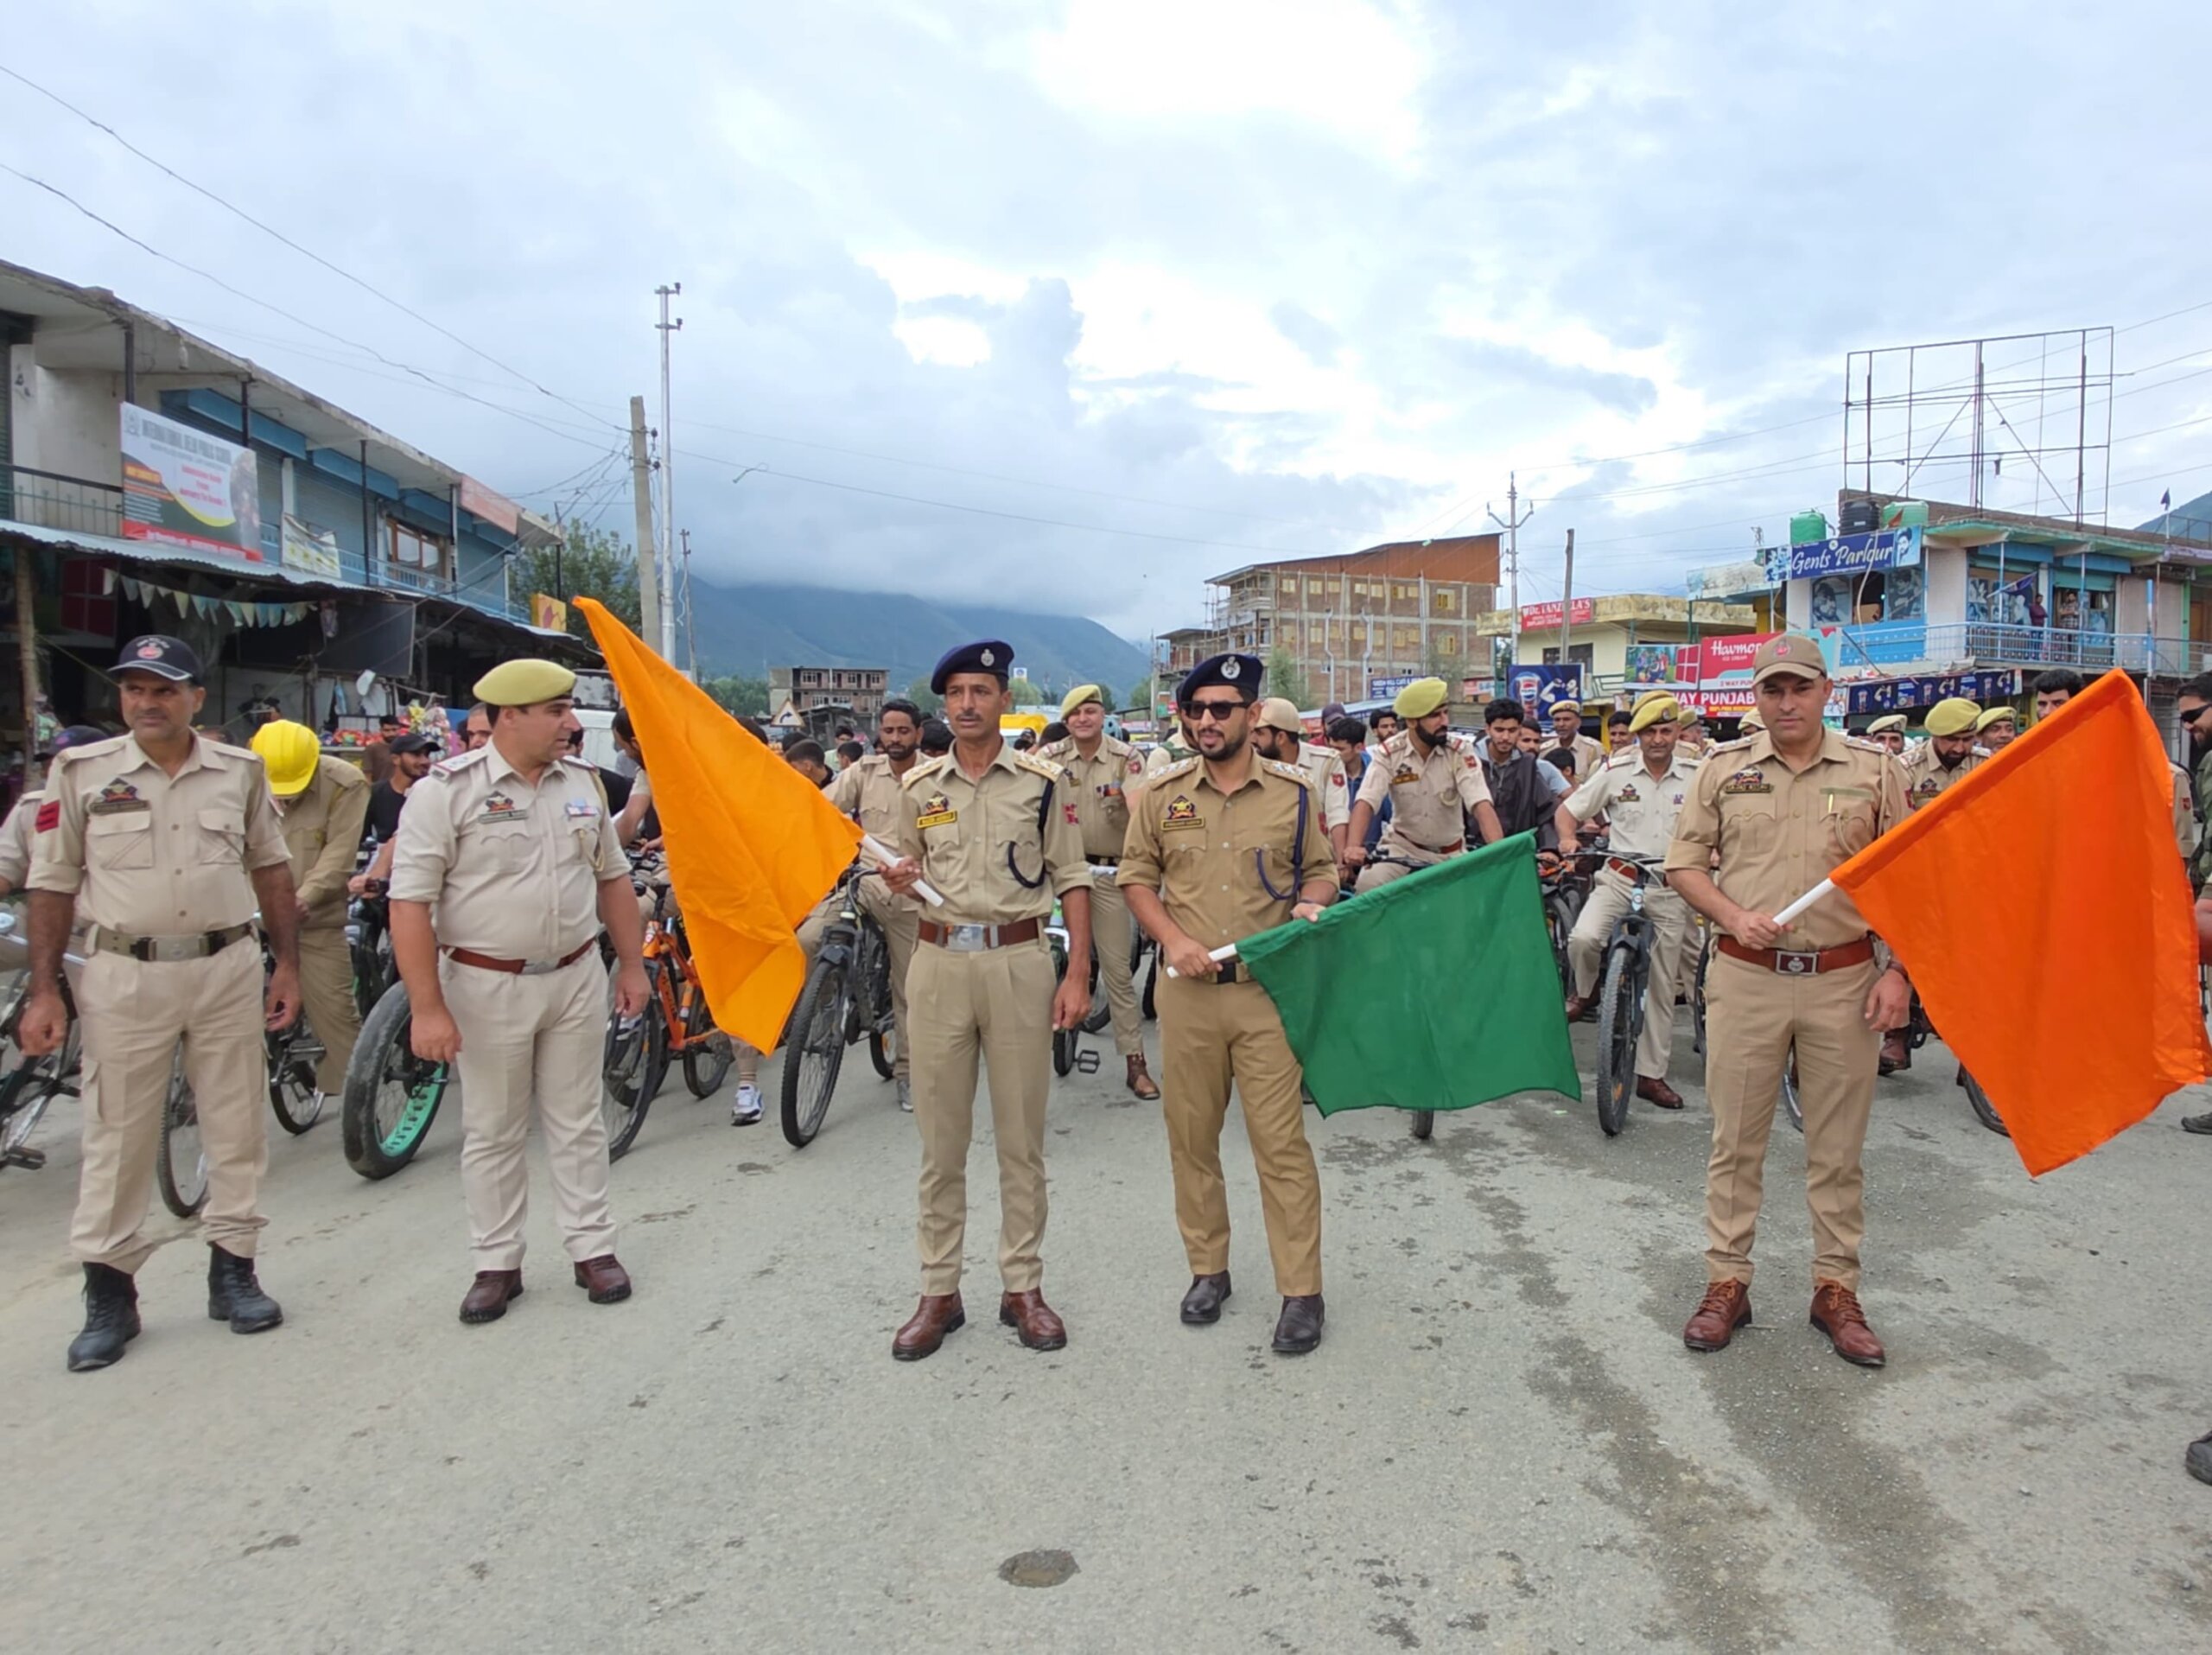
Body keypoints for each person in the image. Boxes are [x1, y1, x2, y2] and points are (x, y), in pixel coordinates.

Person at [22, 636, 302, 1372]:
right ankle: (110, 1291)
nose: (147, 702)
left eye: (164, 689)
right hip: (125, 972)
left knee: (235, 1121)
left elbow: (271, 868)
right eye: (133, 689)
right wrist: (44, 987)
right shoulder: (82, 772)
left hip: (226, 966)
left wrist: (288, 966)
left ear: (195, 699)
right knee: (116, 1130)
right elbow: (51, 884)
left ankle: (233, 1269)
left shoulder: (239, 772)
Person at [1664, 633, 1909, 1368]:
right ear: (1758, 699)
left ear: (1827, 691)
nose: (1787, 702)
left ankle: (1835, 1289)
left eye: (1800, 687)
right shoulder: (1722, 771)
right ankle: (1726, 1283)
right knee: (1735, 1142)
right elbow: (1683, 864)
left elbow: (1908, 879)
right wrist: (1732, 915)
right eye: (1772, 689)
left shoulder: (1876, 771)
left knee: (1837, 1151)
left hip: (1844, 981)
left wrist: (1899, 972)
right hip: (1746, 977)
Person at [387, 659, 649, 1325]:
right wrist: (426, 1006)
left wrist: (632, 964)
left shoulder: (583, 784)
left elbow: (612, 880)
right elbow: (410, 903)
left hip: (573, 973)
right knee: (494, 1128)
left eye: (569, 709)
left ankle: (593, 1247)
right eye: (556, 710)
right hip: (485, 982)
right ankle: (497, 1261)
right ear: (510, 716)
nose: (570, 723)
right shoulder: (446, 791)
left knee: (577, 1117)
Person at [1119, 653, 1338, 1353]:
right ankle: (1208, 1269)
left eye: (1221, 708)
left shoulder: (1295, 794)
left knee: (1281, 1146)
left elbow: (1323, 871)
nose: (1206, 720)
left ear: (1252, 714)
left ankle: (1301, 1290)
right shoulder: (1161, 794)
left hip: (1266, 995)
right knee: (1192, 1140)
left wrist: (1312, 902)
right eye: (1196, 710)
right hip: (1186, 997)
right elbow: (1137, 878)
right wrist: (1172, 939)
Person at [880, 641, 1091, 1362]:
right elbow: (895, 874)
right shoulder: (919, 789)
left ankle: (1022, 1286)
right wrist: (899, 881)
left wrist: (1078, 972)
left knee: (1020, 1140)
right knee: (940, 1144)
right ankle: (939, 1290)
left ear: (1005, 699)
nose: (967, 704)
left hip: (1020, 961)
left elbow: (1072, 878)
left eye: (981, 690)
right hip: (937, 964)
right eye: (956, 693)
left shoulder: (1042, 782)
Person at [1556, 697, 1700, 1109]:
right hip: (1618, 879)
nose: (1658, 739)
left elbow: (1717, 820)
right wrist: (1568, 837)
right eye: (1650, 732)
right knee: (1583, 938)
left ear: (1676, 733)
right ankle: (1586, 992)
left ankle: (1651, 1076)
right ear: (1637, 736)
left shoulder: (1696, 774)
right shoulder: (1616, 771)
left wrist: (1711, 851)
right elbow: (1568, 811)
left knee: (1659, 986)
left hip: (1670, 886)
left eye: (1666, 731)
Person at [1038, 685, 1159, 1101]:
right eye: (1075, 714)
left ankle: (1135, 1061)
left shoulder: (1128, 759)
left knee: (1117, 972)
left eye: (1091, 711)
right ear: (1067, 721)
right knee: (1028, 959)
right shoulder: (1050, 758)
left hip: (1108, 873)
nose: (1083, 719)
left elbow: (1140, 805)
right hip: (1058, 873)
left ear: (1103, 716)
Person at [251, 719, 369, 1103]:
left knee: (336, 1015)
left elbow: (339, 855)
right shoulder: (234, 778)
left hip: (312, 918)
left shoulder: (345, 783)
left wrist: (303, 899)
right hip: (245, 917)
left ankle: (359, 1107)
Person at [826, 697, 929, 1111]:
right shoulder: (862, 772)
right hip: (865, 884)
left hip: (910, 896)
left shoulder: (933, 777)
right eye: (889, 731)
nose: (895, 739)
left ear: (918, 734)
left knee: (909, 991)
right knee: (809, 937)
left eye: (904, 731)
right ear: (879, 733)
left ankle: (907, 1073)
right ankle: (833, 1000)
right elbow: (822, 808)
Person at [1345, 679, 1503, 890]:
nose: (1444, 721)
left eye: (1446, 713)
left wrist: (1501, 853)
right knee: (1367, 885)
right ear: (1412, 721)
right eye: (1434, 716)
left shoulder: (1460, 750)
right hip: (1402, 848)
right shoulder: (1389, 753)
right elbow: (1366, 801)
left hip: (1450, 854)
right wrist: (1353, 847)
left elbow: (1480, 803)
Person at [1253, 697, 1351, 864]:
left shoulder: (1326, 762)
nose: (1253, 740)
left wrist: (1341, 861)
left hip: (1319, 860)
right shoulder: (1250, 766)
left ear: (1281, 737)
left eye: (1259, 733)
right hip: (1269, 862)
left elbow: (1337, 813)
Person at [351, 732, 437, 894]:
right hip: (383, 880)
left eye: (426, 755)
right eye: (416, 755)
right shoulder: (375, 793)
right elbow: (361, 838)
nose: (424, 761)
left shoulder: (435, 793)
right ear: (396, 759)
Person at [1477, 697, 1566, 844]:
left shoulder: (1527, 764)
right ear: (1488, 729)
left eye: (1512, 730)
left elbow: (1545, 812)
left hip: (1516, 850)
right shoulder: (1470, 761)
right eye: (1499, 730)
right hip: (1471, 852)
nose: (1505, 737)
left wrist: (1550, 849)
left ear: (1519, 730)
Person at [1902, 697, 1982, 811]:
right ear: (1935, 736)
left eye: (1967, 740)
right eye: (1951, 740)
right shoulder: (1908, 769)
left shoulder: (1983, 762)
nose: (1959, 749)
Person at [1546, 700, 1605, 778]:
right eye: (1557, 720)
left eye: (1566, 719)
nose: (1561, 724)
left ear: (1578, 723)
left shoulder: (1593, 748)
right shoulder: (1546, 749)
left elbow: (1600, 779)